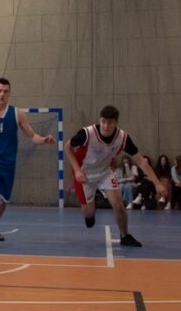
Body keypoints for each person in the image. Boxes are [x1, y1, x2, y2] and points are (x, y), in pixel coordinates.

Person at [0, 77, 56, 248]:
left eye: (5, 91)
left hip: (8, 164)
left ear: (9, 94)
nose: (2, 94)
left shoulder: (17, 114)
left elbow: (32, 136)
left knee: (3, 201)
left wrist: (44, 139)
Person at [66, 105, 169, 247]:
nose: (106, 126)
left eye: (110, 122)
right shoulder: (87, 133)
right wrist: (77, 170)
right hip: (84, 174)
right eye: (103, 121)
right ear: (100, 120)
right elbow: (67, 147)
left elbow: (141, 162)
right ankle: (90, 214)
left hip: (105, 172)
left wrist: (157, 183)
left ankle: (125, 235)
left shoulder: (123, 138)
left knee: (118, 205)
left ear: (116, 123)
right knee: (89, 213)